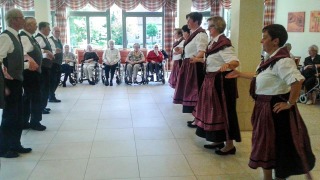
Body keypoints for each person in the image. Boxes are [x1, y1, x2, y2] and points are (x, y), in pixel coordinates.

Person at [226, 24, 315, 180]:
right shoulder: (270, 60)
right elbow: (259, 76)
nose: (262, 41)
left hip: (274, 109)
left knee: (276, 145)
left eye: (265, 37)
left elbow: (297, 81)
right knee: (265, 144)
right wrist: (239, 74)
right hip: (264, 106)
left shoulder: (283, 61)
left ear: (276, 41)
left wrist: (289, 103)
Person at [192, 16, 241, 155]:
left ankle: (230, 144)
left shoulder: (224, 43)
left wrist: (228, 64)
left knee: (225, 112)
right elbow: (212, 61)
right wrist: (198, 60)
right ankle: (219, 140)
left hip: (221, 83)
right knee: (214, 112)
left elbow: (235, 62)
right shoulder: (213, 43)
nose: (208, 28)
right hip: (211, 81)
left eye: (210, 26)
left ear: (216, 27)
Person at [0, 8, 38, 158]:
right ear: (14, 20)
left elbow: (15, 61)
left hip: (16, 81)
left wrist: (27, 65)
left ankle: (15, 144)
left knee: (17, 114)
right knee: (9, 116)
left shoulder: (15, 36)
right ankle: (3, 148)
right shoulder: (5, 37)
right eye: (22, 18)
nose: (24, 20)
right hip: (9, 83)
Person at [173, 12, 208, 127]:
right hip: (189, 64)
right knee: (191, 93)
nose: (187, 23)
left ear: (196, 21)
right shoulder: (194, 34)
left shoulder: (201, 34)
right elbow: (192, 50)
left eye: (189, 20)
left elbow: (202, 51)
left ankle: (198, 118)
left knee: (195, 93)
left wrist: (195, 59)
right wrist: (182, 51)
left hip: (195, 66)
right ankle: (196, 118)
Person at [20, 17, 46, 131]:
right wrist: (30, 60)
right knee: (34, 97)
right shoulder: (24, 37)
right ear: (28, 26)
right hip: (29, 72)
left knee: (30, 96)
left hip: (34, 72)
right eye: (34, 24)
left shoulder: (30, 37)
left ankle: (26, 121)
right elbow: (23, 53)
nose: (36, 26)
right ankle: (34, 122)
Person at [35, 22, 54, 114]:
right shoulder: (39, 38)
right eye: (48, 28)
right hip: (43, 67)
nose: (50, 30)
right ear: (42, 29)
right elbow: (37, 50)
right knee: (43, 88)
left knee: (46, 87)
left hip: (47, 66)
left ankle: (43, 106)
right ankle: (41, 107)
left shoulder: (45, 38)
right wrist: (47, 51)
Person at [48, 26, 63, 102]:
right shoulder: (50, 40)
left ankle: (51, 94)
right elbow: (50, 50)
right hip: (52, 63)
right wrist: (54, 51)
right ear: (52, 32)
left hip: (58, 63)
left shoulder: (59, 41)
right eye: (56, 31)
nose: (58, 33)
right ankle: (51, 96)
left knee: (57, 80)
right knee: (53, 80)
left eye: (59, 31)